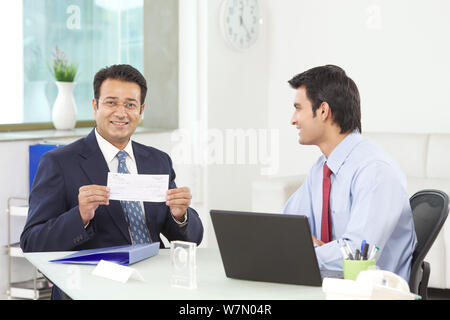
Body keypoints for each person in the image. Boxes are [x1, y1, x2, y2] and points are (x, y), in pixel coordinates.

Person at [20, 64, 203, 299]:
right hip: (89, 290)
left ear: (141, 110)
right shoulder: (59, 163)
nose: (121, 113)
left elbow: (192, 240)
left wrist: (180, 216)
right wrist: (81, 216)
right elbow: (32, 244)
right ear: (95, 105)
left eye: (130, 105)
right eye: (111, 102)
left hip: (154, 287)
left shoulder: (158, 160)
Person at [282, 65, 416, 281]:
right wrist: (308, 248)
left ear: (323, 111)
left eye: (298, 108)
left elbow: (356, 255)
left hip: (372, 293)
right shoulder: (320, 170)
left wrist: (306, 253)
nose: (293, 119)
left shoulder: (375, 171)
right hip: (329, 288)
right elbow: (284, 230)